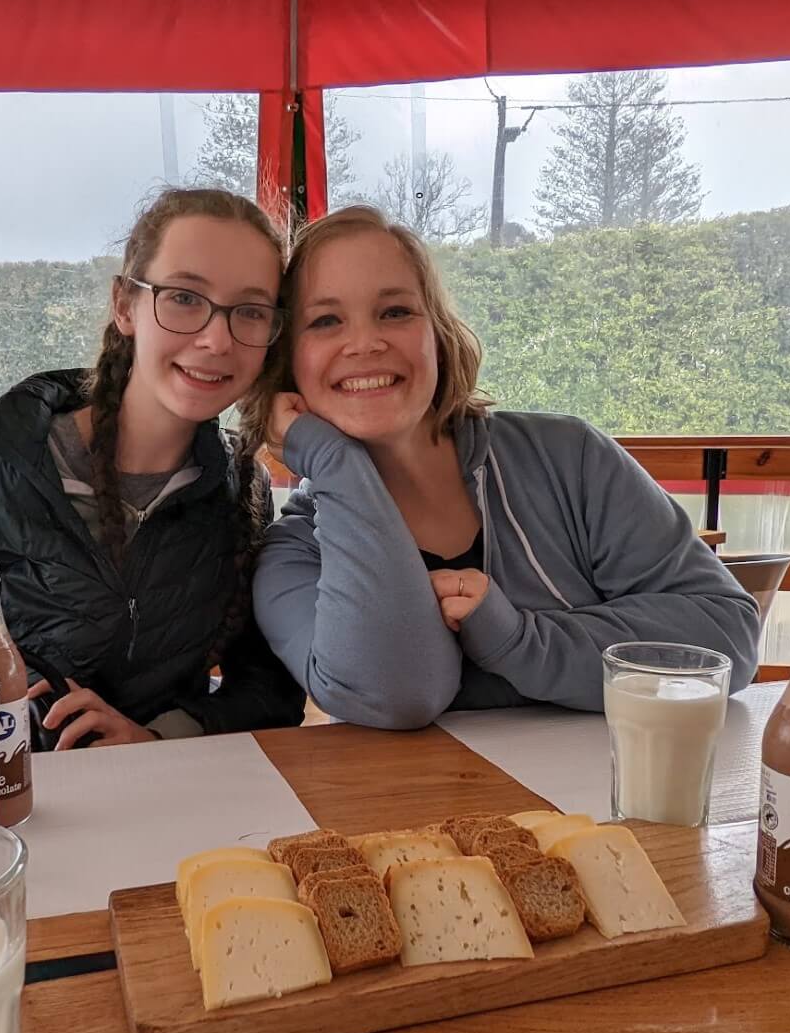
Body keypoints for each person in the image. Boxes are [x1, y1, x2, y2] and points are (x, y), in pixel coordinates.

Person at [0, 188, 304, 763]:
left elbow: (269, 685)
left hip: (158, 800)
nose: (216, 339)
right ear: (126, 306)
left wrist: (155, 739)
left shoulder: (239, 491)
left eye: (250, 311)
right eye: (183, 297)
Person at [243, 206, 760, 730]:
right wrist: (336, 465)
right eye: (325, 321)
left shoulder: (568, 457)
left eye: (395, 312)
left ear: (438, 335)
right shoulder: (294, 553)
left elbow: (726, 639)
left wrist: (517, 638)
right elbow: (396, 694)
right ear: (288, 363)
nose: (365, 343)